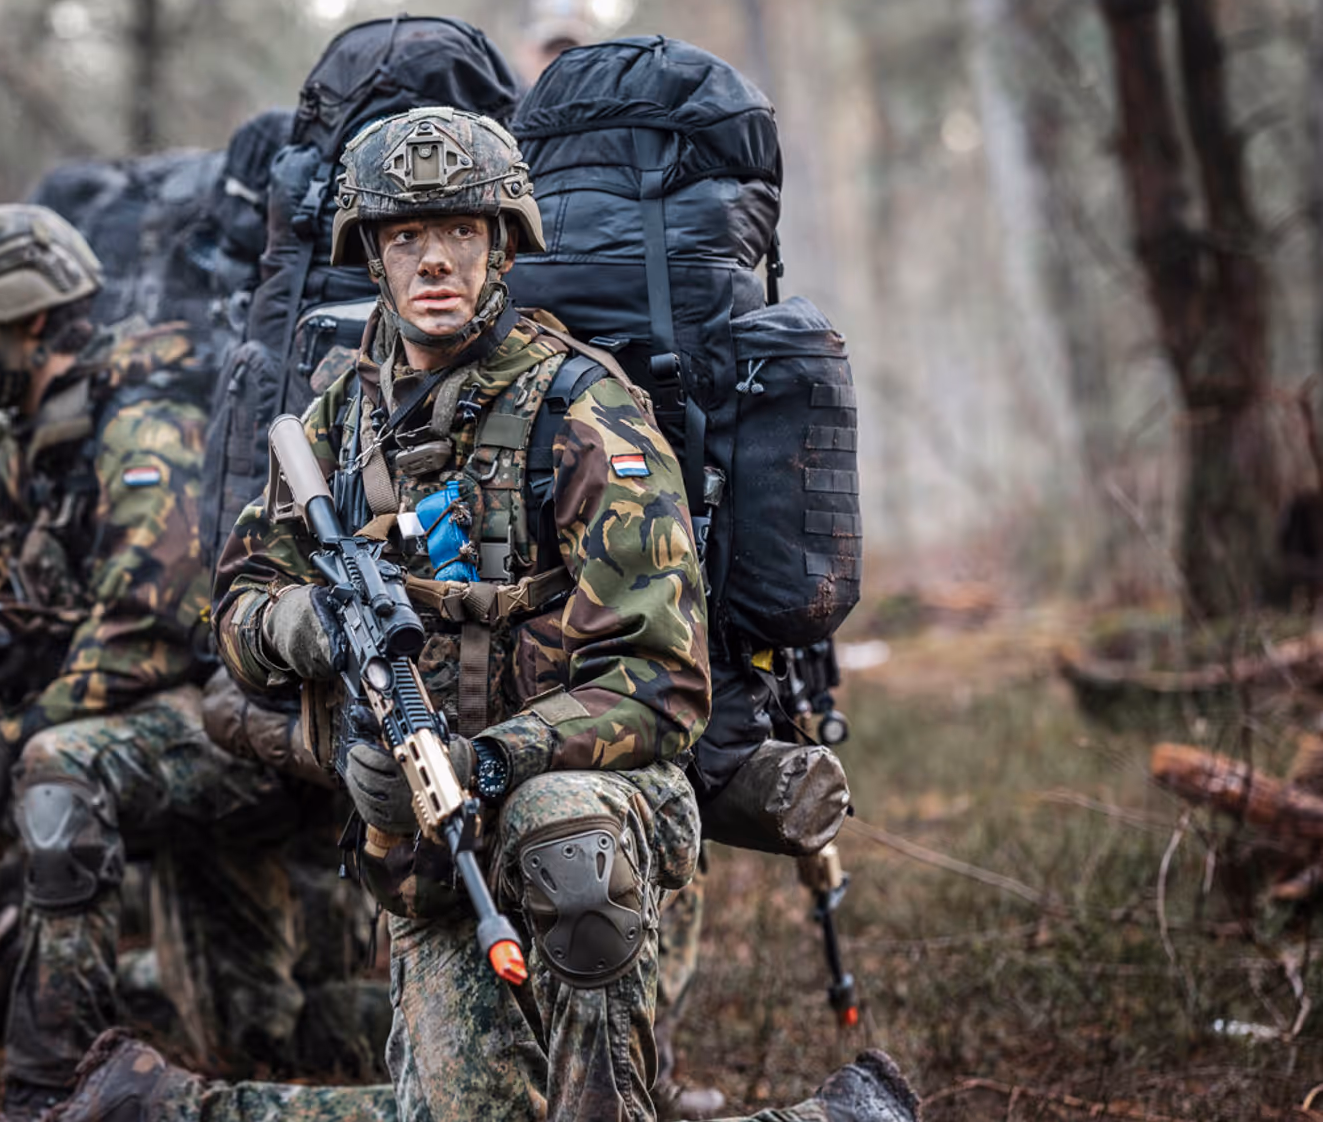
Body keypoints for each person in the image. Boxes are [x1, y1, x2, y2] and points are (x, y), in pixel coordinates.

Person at [48, 109, 918, 1122]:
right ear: (370, 254)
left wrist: (498, 758)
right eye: (407, 237)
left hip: (592, 796)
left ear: (502, 242)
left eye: (461, 231)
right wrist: (309, 628)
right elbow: (237, 603)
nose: (433, 260)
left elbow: (661, 685)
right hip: (416, 831)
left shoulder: (584, 410)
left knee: (565, 842)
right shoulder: (338, 416)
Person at [0, 203, 312, 1121]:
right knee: (254, 1034)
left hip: (241, 728)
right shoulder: (33, 440)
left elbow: (152, 620)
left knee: (60, 773)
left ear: (28, 320)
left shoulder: (143, 426)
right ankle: (498, 1058)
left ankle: (49, 1089)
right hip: (176, 731)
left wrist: (16, 734)